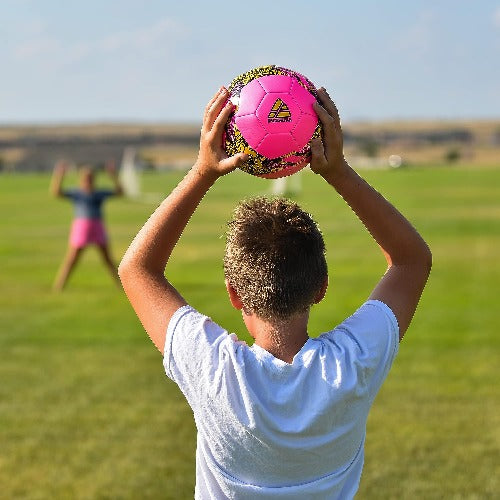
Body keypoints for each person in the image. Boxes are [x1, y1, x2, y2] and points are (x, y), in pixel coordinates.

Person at [118, 87, 432, 498]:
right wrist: (338, 172)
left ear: (234, 294)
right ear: (321, 287)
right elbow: (411, 260)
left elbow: (137, 268)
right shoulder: (351, 366)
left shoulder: (216, 372)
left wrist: (202, 171)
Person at [51, 159, 123, 291]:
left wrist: (114, 175)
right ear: (81, 178)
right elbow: (57, 192)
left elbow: (120, 192)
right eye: (85, 177)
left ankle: (122, 286)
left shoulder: (99, 193)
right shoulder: (77, 193)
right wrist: (60, 175)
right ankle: (59, 286)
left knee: (108, 259)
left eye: (90, 177)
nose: (88, 180)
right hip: (81, 229)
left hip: (97, 227)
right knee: (72, 259)